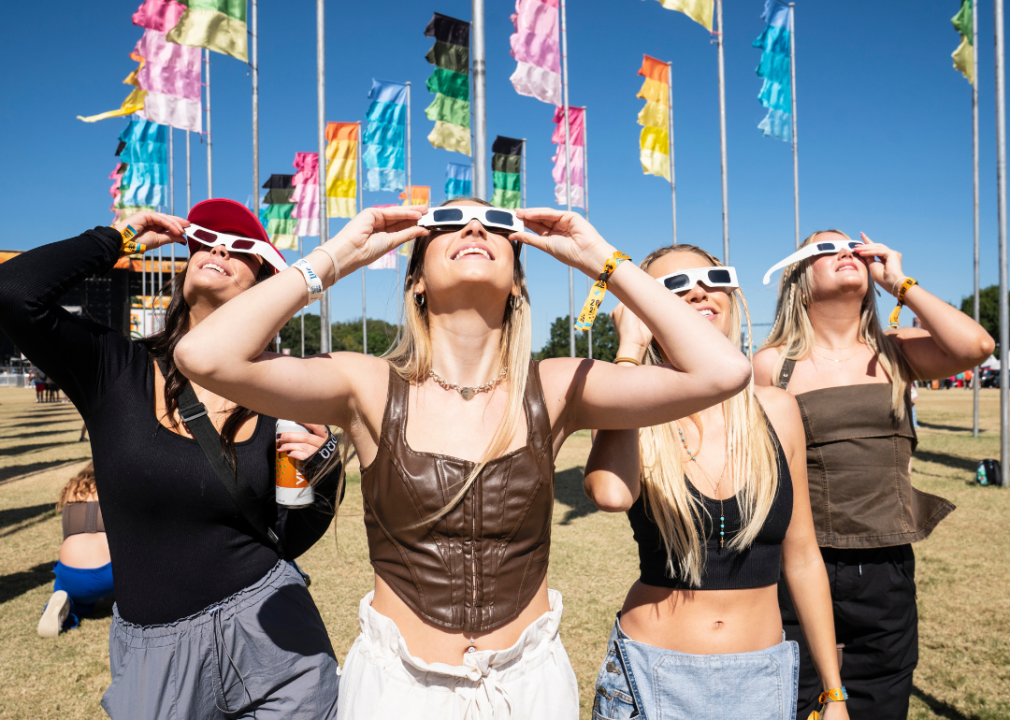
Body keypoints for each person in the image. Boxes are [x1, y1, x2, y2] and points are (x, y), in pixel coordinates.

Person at [174, 199, 753, 719]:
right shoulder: (368, 384)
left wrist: (601, 259)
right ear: (417, 280)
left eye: (497, 223)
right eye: (447, 222)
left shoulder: (553, 387)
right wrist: (337, 256)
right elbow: (203, 355)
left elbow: (723, 371)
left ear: (518, 283)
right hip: (397, 689)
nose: (474, 225)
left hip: (527, 688)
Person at [0, 200, 343, 720]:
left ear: (266, 285)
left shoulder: (280, 392)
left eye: (242, 247)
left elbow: (286, 537)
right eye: (207, 238)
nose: (221, 248)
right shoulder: (114, 369)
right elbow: (15, 292)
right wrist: (118, 238)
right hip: (156, 660)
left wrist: (325, 467)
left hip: (275, 636)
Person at [585, 245, 847, 720]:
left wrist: (833, 692)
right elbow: (608, 492)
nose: (698, 290)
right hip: (648, 676)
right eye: (674, 287)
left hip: (762, 678)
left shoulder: (779, 409)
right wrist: (629, 354)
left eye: (711, 277)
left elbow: (804, 554)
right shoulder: (638, 410)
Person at [753, 230, 994, 719]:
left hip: (885, 565)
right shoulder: (772, 364)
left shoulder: (897, 350)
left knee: (881, 700)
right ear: (797, 275)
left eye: (853, 247)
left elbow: (977, 345)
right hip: (798, 563)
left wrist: (899, 280)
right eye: (826, 248)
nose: (845, 253)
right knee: (798, 699)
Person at [39, 461, 114, 637]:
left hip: (73, 572)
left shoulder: (73, 488)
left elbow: (68, 534)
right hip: (113, 571)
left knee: (65, 591)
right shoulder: (117, 484)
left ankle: (69, 602)